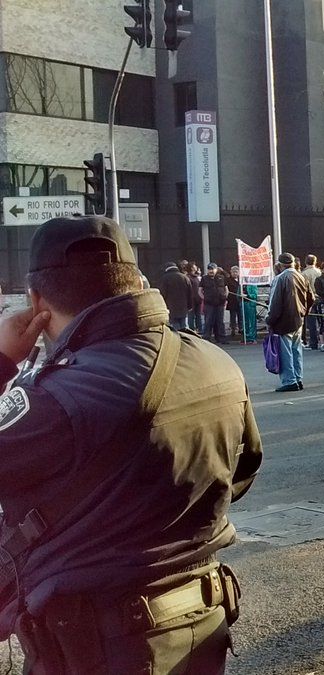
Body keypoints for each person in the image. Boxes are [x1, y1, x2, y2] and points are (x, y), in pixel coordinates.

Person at [0, 216, 261, 672]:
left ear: (35, 299)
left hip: (97, 642)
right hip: (201, 617)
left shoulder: (53, 400)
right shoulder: (216, 361)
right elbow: (240, 474)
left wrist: (2, 360)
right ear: (133, 280)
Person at [266, 252, 314, 392]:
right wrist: (304, 311)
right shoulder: (301, 276)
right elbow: (311, 297)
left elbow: (275, 302)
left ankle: (289, 380)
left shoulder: (280, 278)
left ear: (280, 264)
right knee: (296, 350)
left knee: (285, 351)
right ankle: (298, 378)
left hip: (283, 320)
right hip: (298, 318)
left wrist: (270, 320)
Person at [199, 263, 229, 343]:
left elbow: (226, 289)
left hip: (220, 303)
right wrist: (204, 298)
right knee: (208, 321)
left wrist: (225, 298)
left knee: (220, 321)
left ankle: (221, 338)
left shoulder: (221, 278)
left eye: (212, 269)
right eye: (209, 269)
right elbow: (200, 290)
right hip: (209, 303)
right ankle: (206, 338)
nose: (211, 271)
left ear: (216, 269)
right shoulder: (204, 278)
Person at [158, 261, 193, 330]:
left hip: (171, 307)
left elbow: (162, 294)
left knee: (174, 326)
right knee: (184, 325)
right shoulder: (185, 277)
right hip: (183, 307)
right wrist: (190, 306)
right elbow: (190, 293)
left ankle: (178, 338)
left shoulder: (164, 278)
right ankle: (185, 338)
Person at [300, 254, 321, 349]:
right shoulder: (319, 272)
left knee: (311, 322)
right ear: (315, 262)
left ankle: (313, 342)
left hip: (309, 299)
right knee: (322, 321)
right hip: (320, 297)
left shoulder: (303, 273)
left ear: (306, 262)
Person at [226, 265, 243, 339]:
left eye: (236, 272)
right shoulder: (228, 280)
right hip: (232, 300)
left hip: (239, 300)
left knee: (240, 315)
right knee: (233, 315)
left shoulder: (241, 280)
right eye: (233, 272)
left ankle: (241, 328)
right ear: (231, 272)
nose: (235, 273)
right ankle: (233, 328)